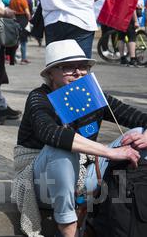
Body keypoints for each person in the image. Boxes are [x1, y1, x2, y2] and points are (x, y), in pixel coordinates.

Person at [13, 39, 147, 237]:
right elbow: (51, 134)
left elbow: (140, 118)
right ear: (50, 73)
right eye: (67, 67)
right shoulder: (39, 97)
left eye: (82, 66)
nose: (78, 72)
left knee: (136, 132)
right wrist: (110, 151)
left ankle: (134, 202)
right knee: (60, 146)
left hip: (87, 171)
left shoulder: (90, 94)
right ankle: (68, 228)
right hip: (42, 181)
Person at [9, 0, 31, 65]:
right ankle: (23, 58)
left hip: (14, 20)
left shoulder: (12, 0)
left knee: (15, 41)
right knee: (23, 41)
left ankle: (13, 58)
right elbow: (27, 12)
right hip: (23, 20)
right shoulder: (23, 0)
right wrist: (29, 19)